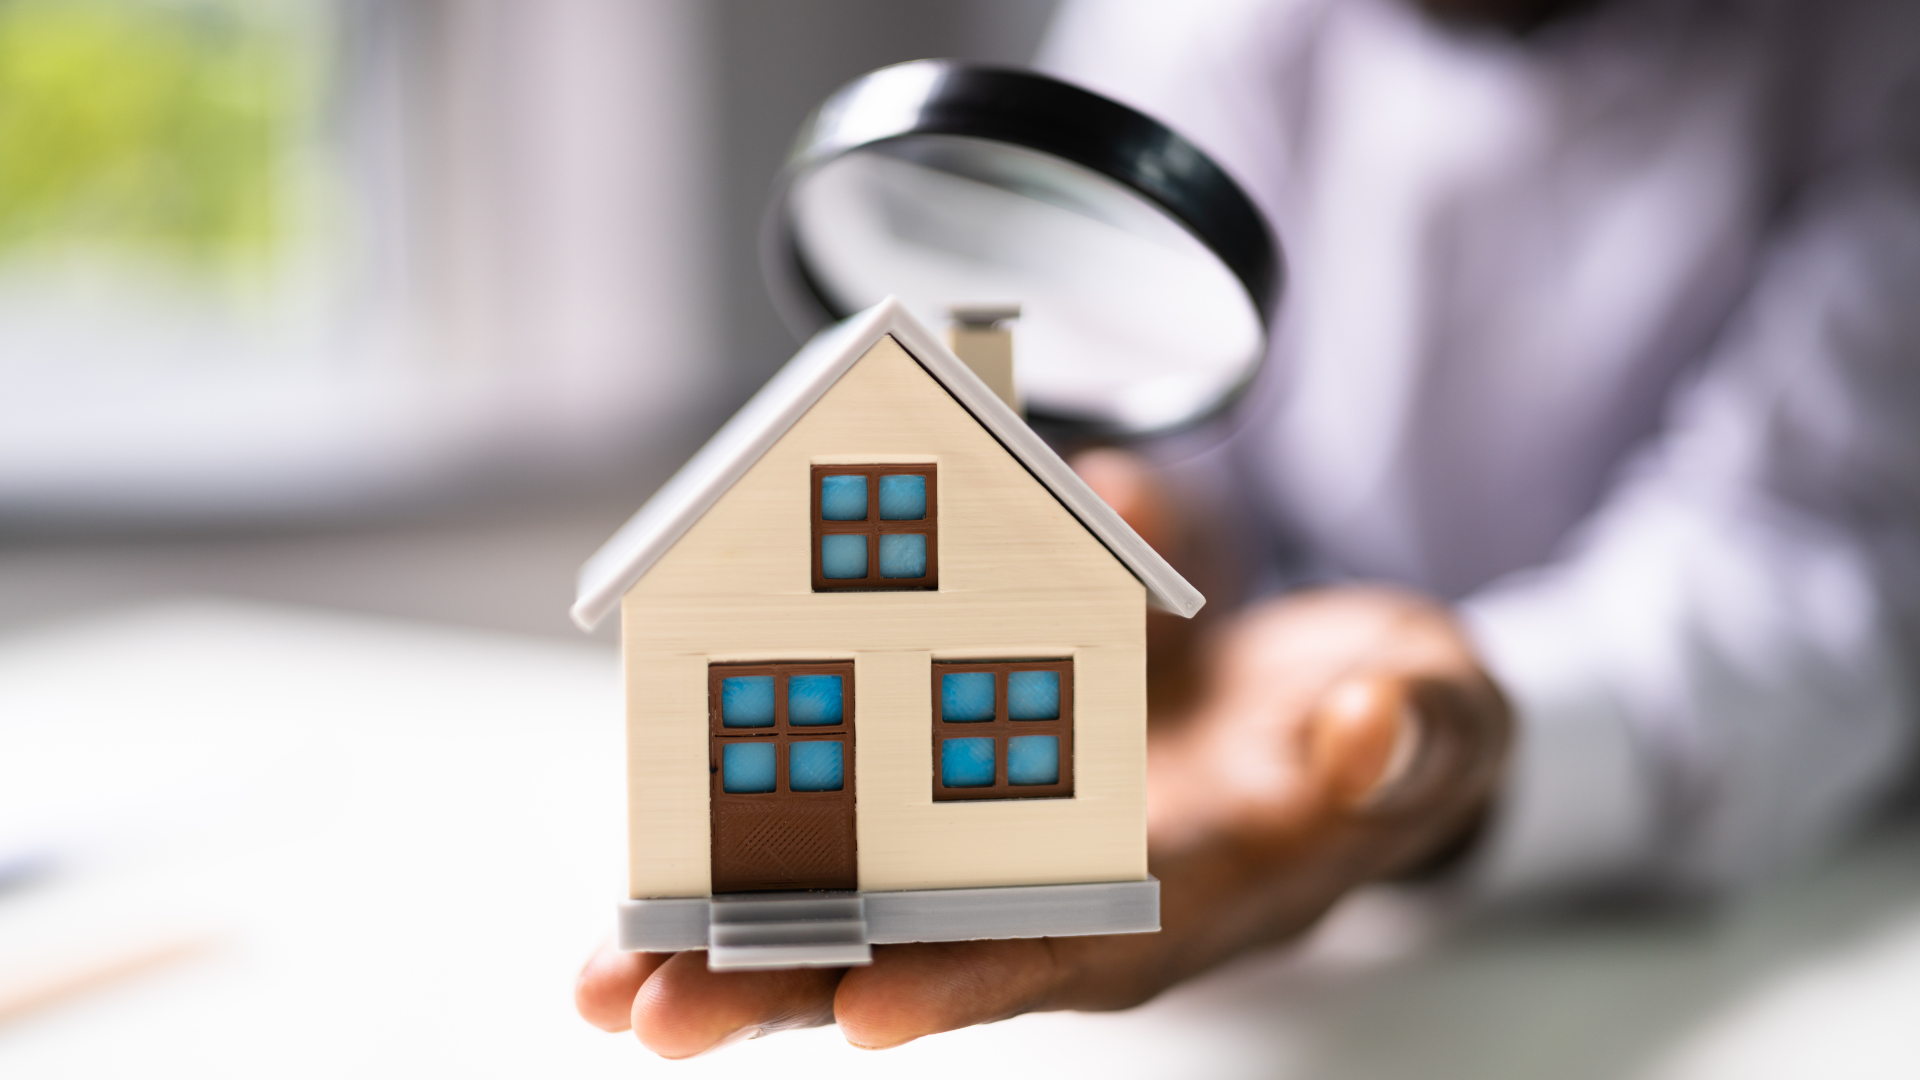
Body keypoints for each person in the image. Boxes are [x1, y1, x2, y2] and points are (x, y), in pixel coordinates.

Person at [576, 0, 1920, 1055]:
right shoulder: (1195, 20)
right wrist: (1162, 531)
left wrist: (1467, 743)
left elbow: (1807, 556)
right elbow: (1143, 380)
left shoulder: (1877, 61)